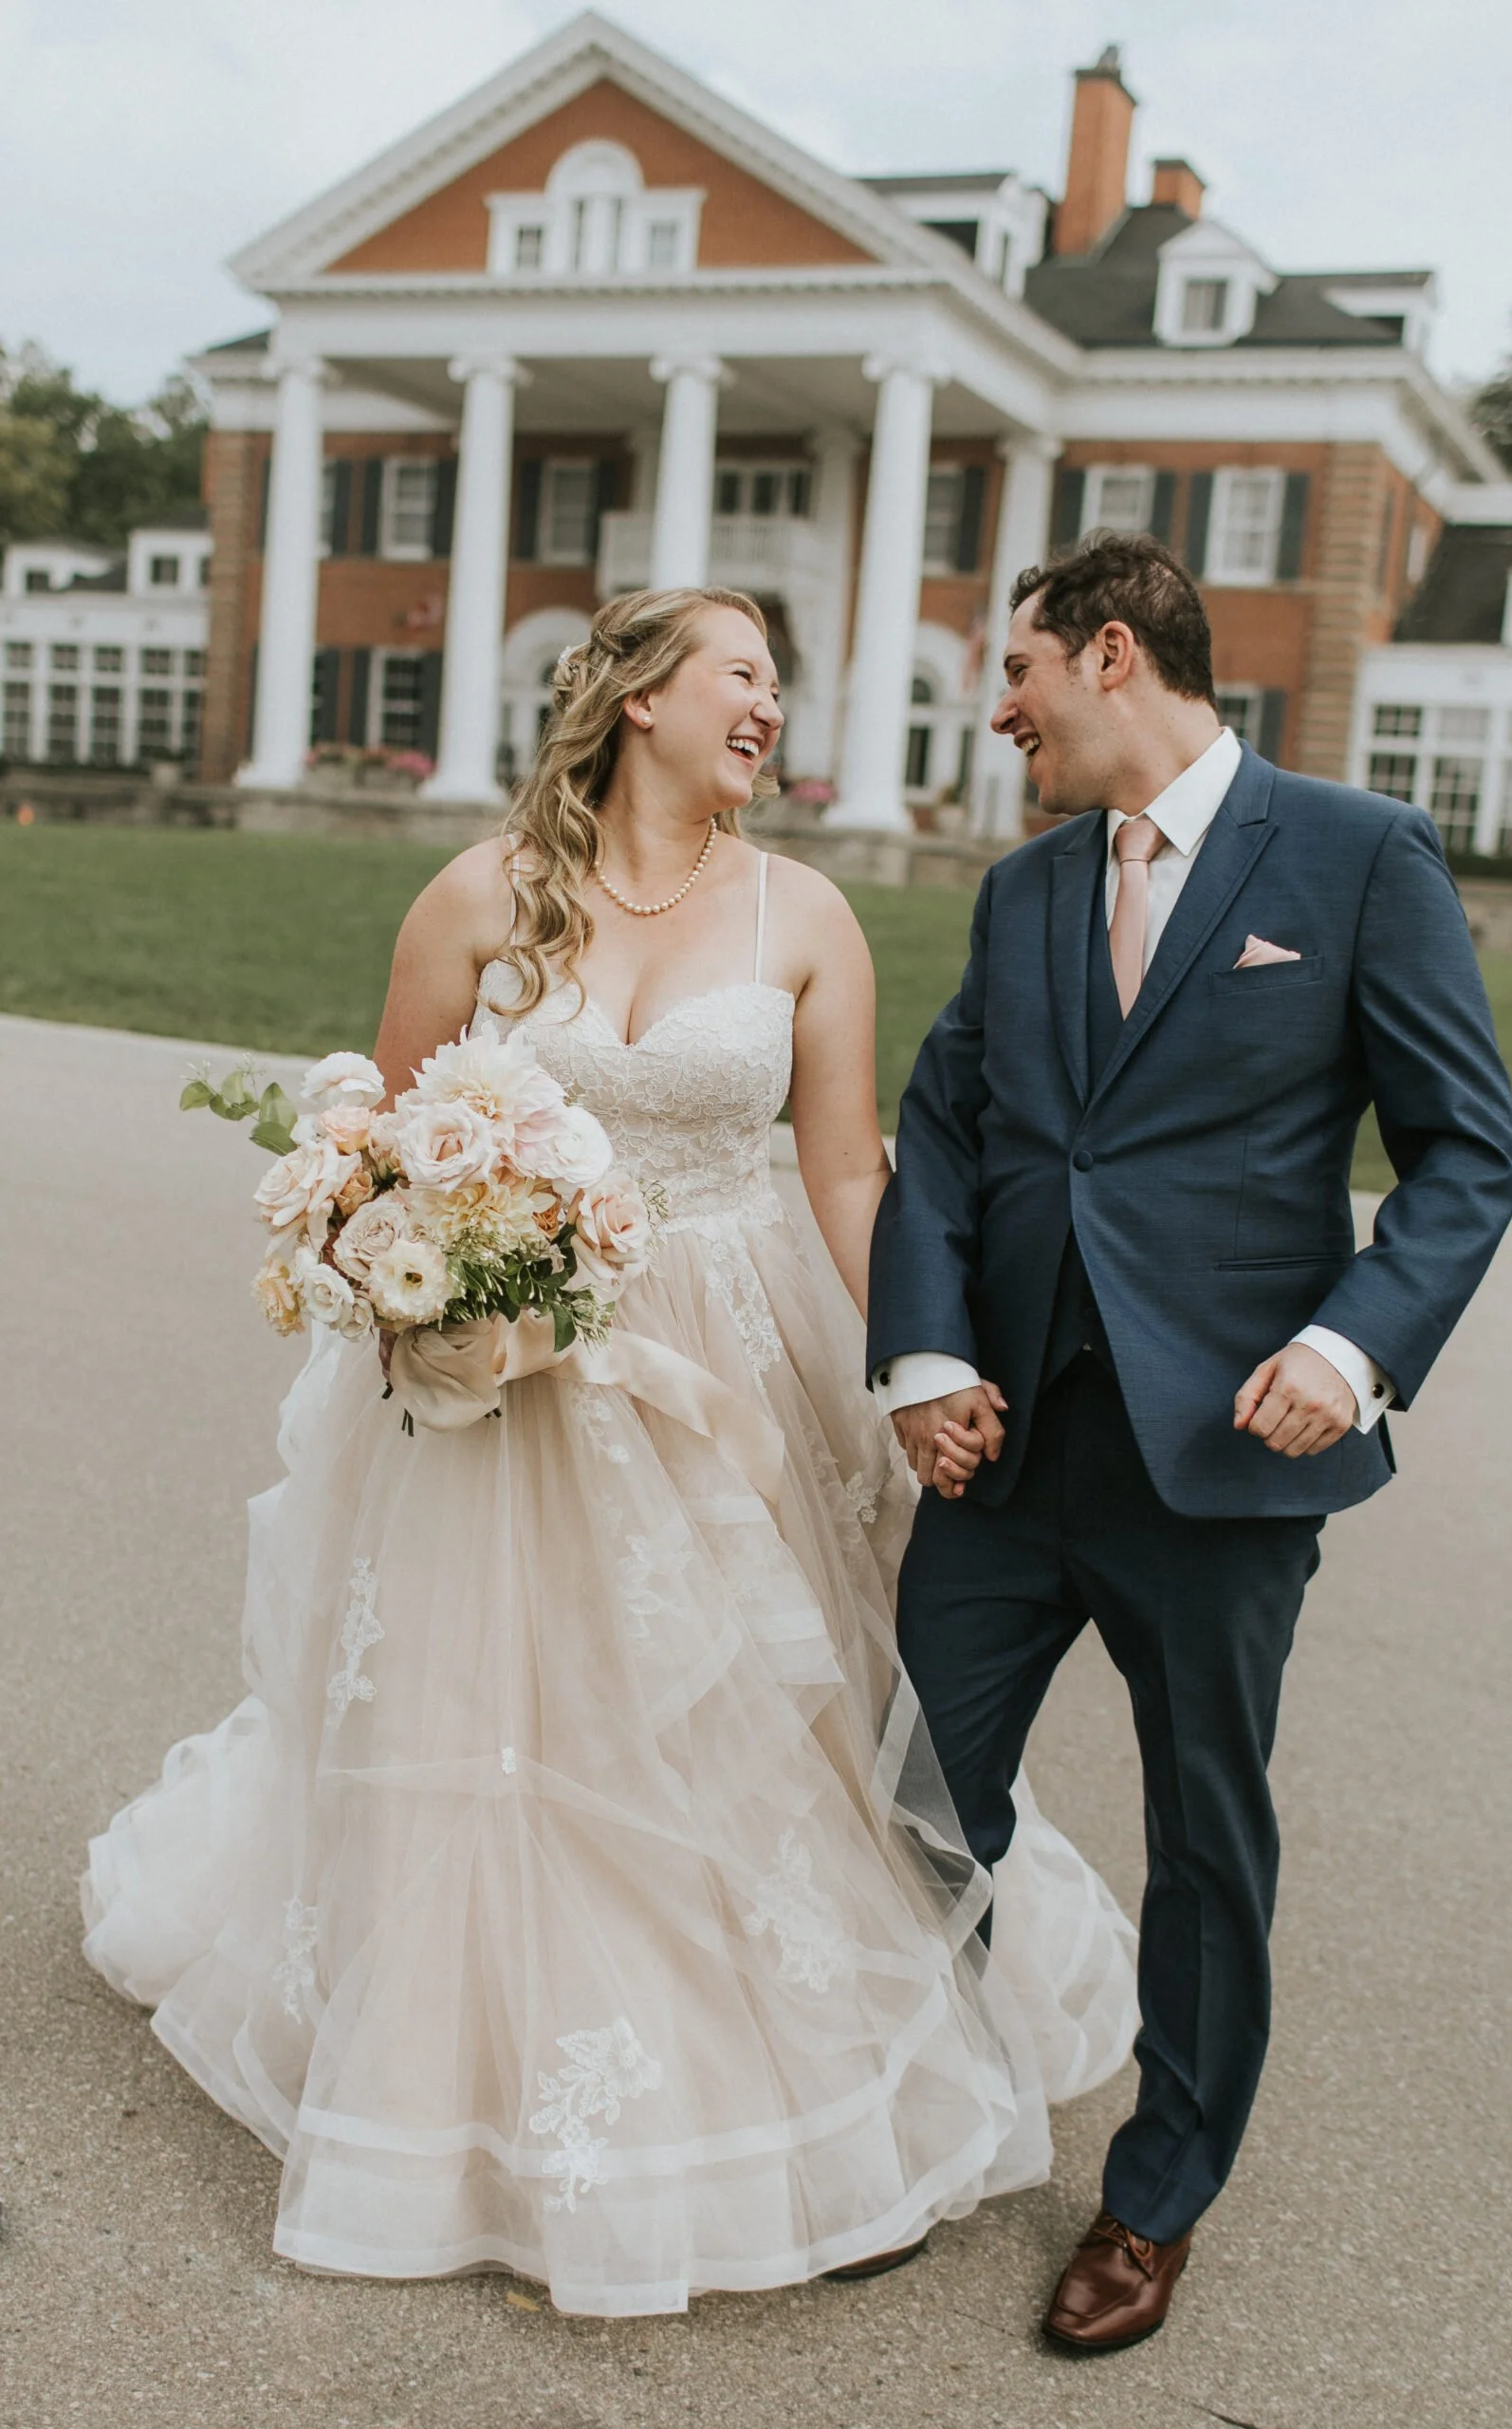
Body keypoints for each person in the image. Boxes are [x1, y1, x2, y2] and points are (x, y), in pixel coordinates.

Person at [82, 585, 1137, 2318]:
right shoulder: (482, 896)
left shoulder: (803, 914)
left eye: (780, 687)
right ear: (639, 695)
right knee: (500, 1714)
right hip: (509, 1375)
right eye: (742, 674)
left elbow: (847, 1172)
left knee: (743, 1711)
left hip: (733, 1348)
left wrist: (913, 1365)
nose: (770, 710)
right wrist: (419, 1279)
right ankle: (457, 2088)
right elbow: (383, 1144)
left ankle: (783, 2063)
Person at [868, 533, 1512, 2353]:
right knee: (913, 1798)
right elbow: (945, 1139)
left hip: (1222, 1462)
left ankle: (1154, 2197)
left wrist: (1351, 1343)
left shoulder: (1353, 853)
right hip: (1001, 1451)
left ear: (1102, 658)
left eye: (1014, 673)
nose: (995, 710)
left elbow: (1469, 1152)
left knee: (1205, 1836)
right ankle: (917, 2120)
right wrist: (923, 1355)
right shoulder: (1019, 894)